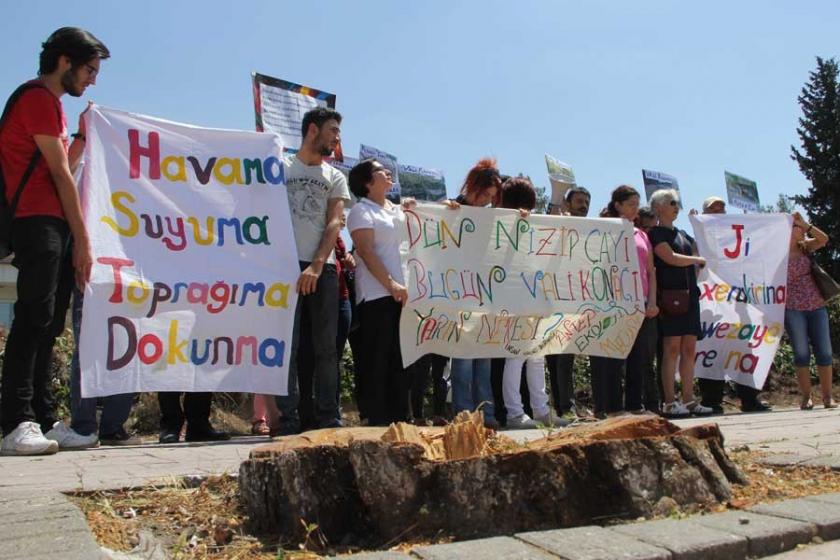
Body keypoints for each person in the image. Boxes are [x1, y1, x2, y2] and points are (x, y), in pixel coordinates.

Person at [0, 28, 107, 456]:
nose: (92, 80)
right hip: (36, 221)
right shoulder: (37, 100)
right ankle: (15, 422)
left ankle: (42, 418)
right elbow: (62, 177)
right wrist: (84, 242)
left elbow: (63, 163)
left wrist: (80, 136)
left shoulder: (54, 109)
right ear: (65, 61)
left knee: (48, 322)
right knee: (32, 318)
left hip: (54, 224)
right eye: (89, 69)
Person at [44, 164, 137, 449]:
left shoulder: (142, 177)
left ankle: (113, 425)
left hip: (131, 276)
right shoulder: (88, 167)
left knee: (129, 345)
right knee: (88, 349)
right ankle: (85, 425)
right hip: (95, 273)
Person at [275, 107, 351, 435]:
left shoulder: (335, 177)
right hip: (282, 268)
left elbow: (335, 222)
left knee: (326, 348)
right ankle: (288, 420)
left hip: (324, 269)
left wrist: (318, 265)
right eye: (333, 130)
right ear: (312, 130)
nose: (337, 139)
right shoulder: (279, 166)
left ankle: (328, 418)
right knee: (286, 347)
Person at [498, 177, 565, 429]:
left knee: (537, 355)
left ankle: (541, 411)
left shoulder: (532, 221)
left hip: (536, 293)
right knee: (515, 355)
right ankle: (515, 413)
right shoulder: (500, 221)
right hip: (515, 294)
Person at [347, 159, 410, 425]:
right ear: (367, 182)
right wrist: (390, 284)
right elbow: (366, 251)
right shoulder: (362, 211)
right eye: (380, 171)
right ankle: (375, 417)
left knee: (401, 359)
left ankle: (401, 418)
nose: (387, 172)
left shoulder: (398, 210)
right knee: (377, 358)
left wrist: (449, 209)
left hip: (404, 296)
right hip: (377, 296)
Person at [696, 195, 772, 413]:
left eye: (722, 209)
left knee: (744, 351)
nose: (718, 213)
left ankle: (749, 399)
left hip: (740, 306)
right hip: (713, 305)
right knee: (713, 351)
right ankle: (711, 401)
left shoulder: (738, 238)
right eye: (713, 209)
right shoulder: (698, 238)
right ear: (705, 213)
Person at [447, 158, 502, 428]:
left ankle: (487, 416)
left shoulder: (491, 216)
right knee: (463, 361)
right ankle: (464, 415)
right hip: (459, 295)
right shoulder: (453, 208)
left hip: (485, 294)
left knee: (484, 360)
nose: (487, 201)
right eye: (485, 195)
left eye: (492, 198)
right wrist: (448, 212)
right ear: (474, 186)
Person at [648, 189, 712, 417]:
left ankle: (689, 400)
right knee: (671, 349)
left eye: (678, 203)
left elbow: (701, 250)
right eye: (671, 202)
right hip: (670, 299)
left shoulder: (683, 234)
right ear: (658, 208)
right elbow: (670, 258)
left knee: (689, 349)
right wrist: (696, 260)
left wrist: (699, 225)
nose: (677, 206)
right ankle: (668, 401)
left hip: (689, 297)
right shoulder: (655, 234)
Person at [602, 186, 659, 414]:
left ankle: (635, 405)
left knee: (639, 356)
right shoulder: (605, 230)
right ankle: (614, 407)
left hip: (641, 301)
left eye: (637, 204)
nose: (636, 208)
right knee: (615, 356)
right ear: (618, 205)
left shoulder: (642, 234)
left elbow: (650, 271)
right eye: (631, 204)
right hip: (616, 302)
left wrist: (652, 301)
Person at [546, 186, 592, 419]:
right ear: (567, 204)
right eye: (579, 201)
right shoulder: (559, 222)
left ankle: (564, 406)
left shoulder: (592, 229)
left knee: (565, 355)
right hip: (555, 299)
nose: (583, 206)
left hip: (578, 299)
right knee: (557, 356)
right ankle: (565, 405)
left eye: (586, 202)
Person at [785, 212, 834, 410]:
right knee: (801, 353)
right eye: (794, 227)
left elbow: (824, 239)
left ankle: (828, 397)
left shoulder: (806, 247)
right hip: (792, 308)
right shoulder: (776, 254)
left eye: (799, 228)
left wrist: (805, 224)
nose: (799, 231)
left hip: (816, 305)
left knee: (825, 351)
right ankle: (807, 397)